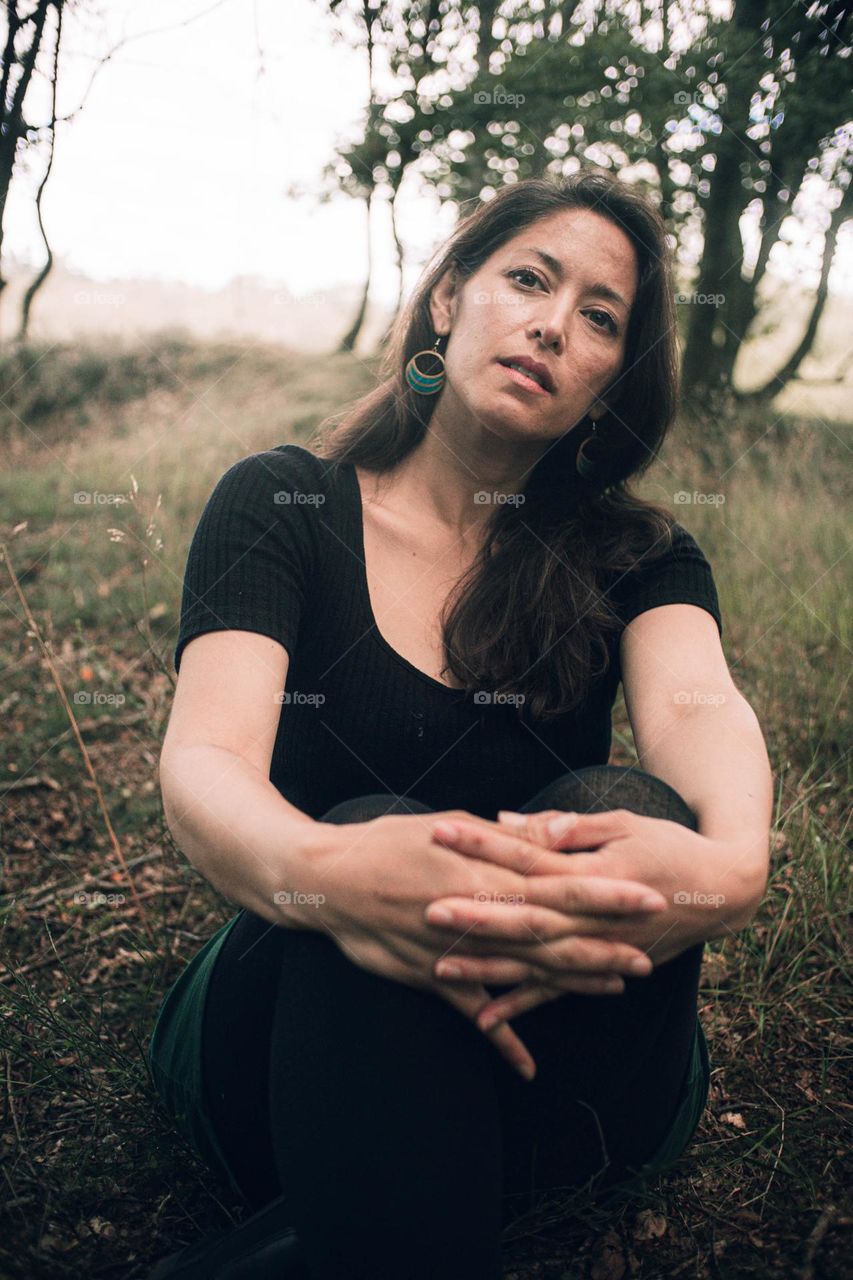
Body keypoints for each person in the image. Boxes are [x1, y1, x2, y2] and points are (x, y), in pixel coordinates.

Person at [145, 168, 773, 1279]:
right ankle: (380, 1216)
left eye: (598, 318)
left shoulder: (637, 554)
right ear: (447, 300)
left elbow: (697, 705)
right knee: (386, 825)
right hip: (300, 1036)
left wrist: (731, 867)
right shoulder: (283, 504)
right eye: (527, 278)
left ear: (608, 384)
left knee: (619, 805)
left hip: (560, 1070)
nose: (550, 324)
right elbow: (205, 760)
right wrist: (330, 867)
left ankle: (385, 1219)